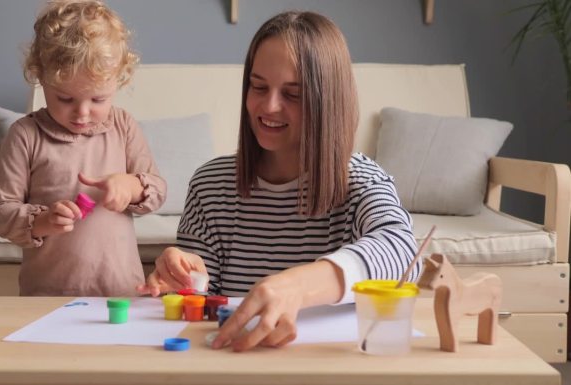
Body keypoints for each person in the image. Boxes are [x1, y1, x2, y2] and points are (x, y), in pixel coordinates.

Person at [136, 11, 418, 351]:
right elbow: (199, 300)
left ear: (326, 101)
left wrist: (297, 286)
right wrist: (181, 281)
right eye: (258, 87)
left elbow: (402, 250)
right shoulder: (211, 185)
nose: (269, 106)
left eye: (293, 94)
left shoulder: (362, 182)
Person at [0, 0, 166, 297]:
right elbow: (0, 212)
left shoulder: (123, 126)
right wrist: (42, 221)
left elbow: (158, 190)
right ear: (40, 77)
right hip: (48, 294)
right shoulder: (25, 135)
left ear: (118, 81)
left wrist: (131, 185)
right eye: (65, 99)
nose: (82, 113)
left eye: (97, 100)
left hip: (120, 291)